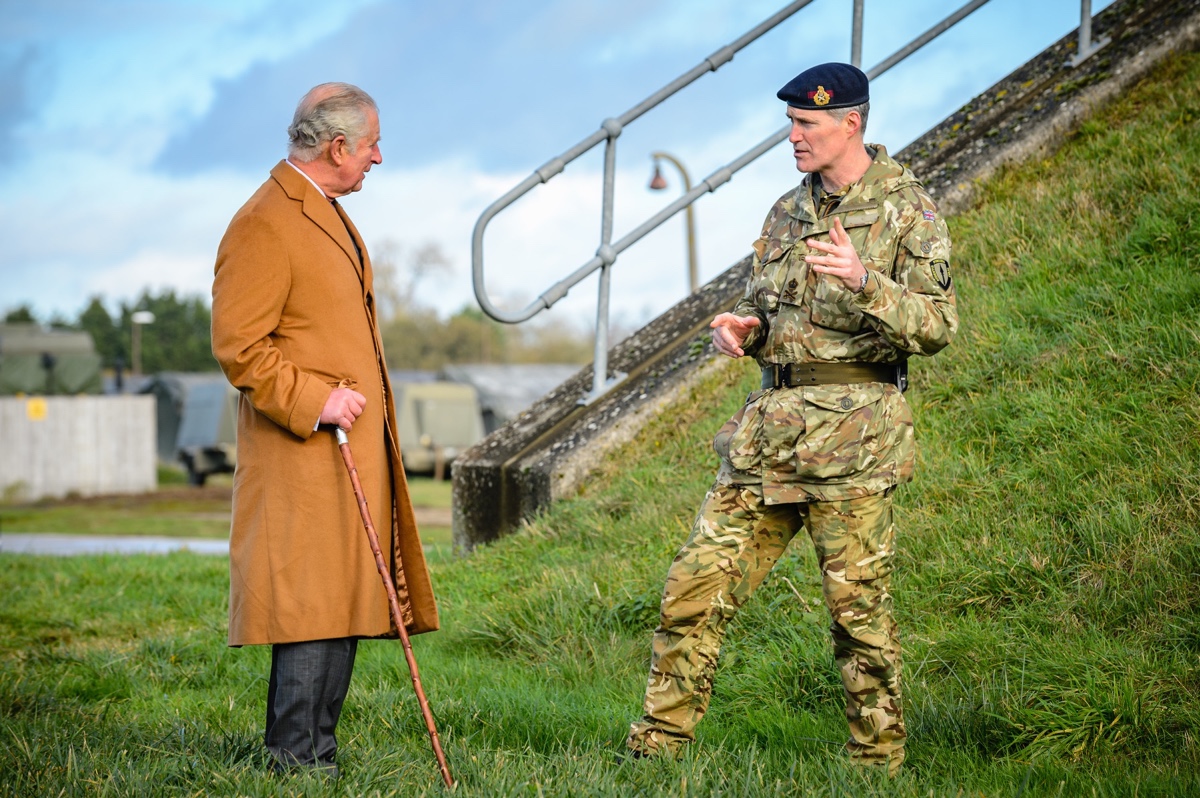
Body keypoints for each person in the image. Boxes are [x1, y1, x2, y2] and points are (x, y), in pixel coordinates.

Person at [625, 63, 957, 776]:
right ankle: (655, 752)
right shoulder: (786, 211)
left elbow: (936, 327)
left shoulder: (910, 213)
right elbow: (775, 317)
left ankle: (876, 766)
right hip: (768, 440)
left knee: (857, 618)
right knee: (695, 588)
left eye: (806, 125)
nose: (794, 138)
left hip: (853, 448)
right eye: (790, 124)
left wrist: (866, 282)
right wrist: (744, 329)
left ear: (851, 124)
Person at [211, 82, 439, 778]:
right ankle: (297, 766)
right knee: (311, 606)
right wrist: (318, 400)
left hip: (344, 457)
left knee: (340, 598)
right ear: (338, 146)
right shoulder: (265, 221)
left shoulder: (323, 210)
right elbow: (239, 346)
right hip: (304, 455)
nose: (378, 157)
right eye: (371, 145)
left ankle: (319, 757)